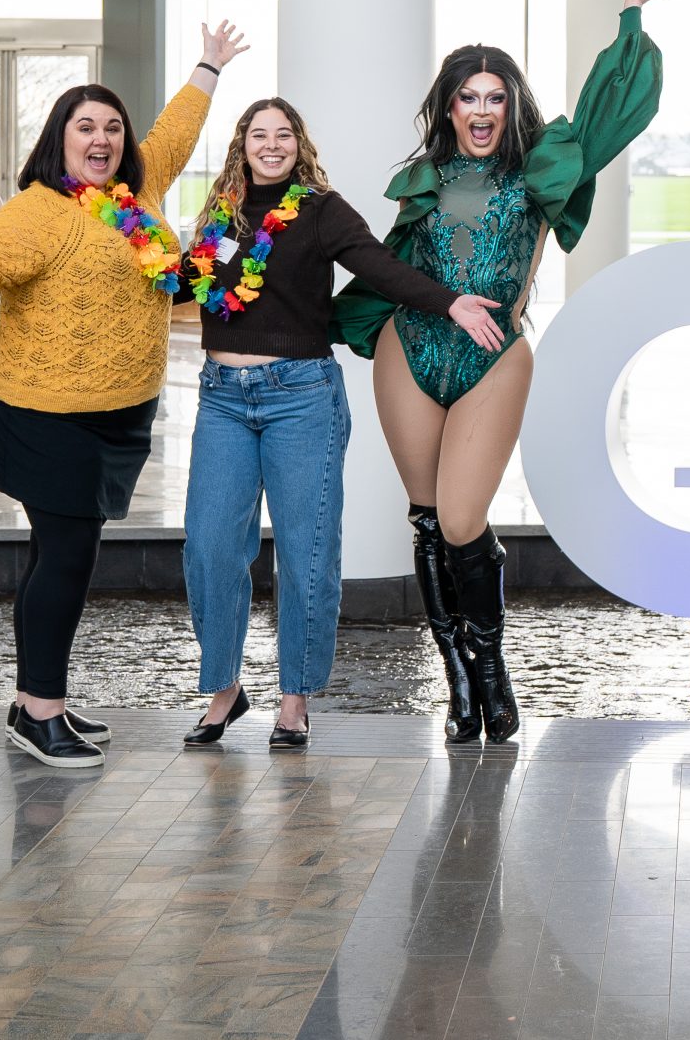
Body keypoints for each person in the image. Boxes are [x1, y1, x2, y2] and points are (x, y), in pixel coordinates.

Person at [0, 23, 248, 769]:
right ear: (60, 139)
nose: (102, 138)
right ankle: (41, 713)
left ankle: (32, 699)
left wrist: (208, 66)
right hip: (45, 411)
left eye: (111, 127)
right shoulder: (39, 210)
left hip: (119, 410)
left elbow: (174, 131)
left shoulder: (139, 191)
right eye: (85, 126)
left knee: (51, 554)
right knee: (66, 557)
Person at [333, 0, 686, 745]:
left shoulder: (540, 170)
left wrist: (628, 15)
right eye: (468, 97)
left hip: (494, 358)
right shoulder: (425, 179)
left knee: (463, 519)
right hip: (410, 349)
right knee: (429, 520)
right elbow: (387, 264)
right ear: (448, 108)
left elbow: (607, 114)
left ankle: (491, 667)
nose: (482, 109)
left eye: (496, 96)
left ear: (511, 105)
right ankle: (459, 681)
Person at [177, 98, 502, 749]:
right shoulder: (221, 213)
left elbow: (382, 268)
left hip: (301, 397)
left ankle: (294, 700)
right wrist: (126, 247)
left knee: (307, 553)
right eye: (259, 135)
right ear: (242, 145)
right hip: (222, 397)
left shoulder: (322, 211)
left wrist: (450, 303)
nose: (271, 145)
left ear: (299, 144)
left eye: (283, 134)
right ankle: (224, 690)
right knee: (210, 547)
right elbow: (184, 285)